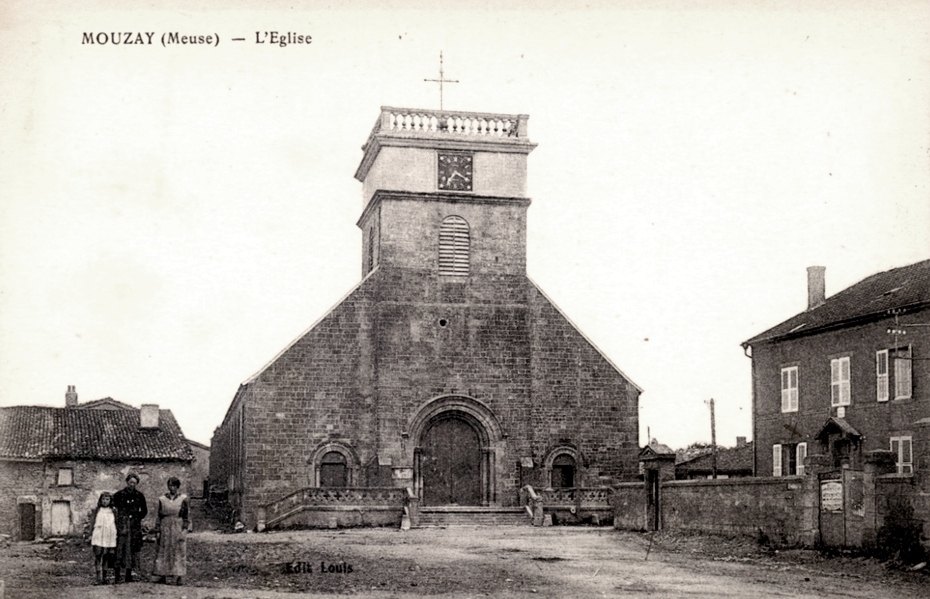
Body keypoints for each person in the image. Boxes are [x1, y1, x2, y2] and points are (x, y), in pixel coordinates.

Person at [153, 477, 192, 585]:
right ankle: (162, 575)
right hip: (165, 525)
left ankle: (178, 576)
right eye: (170, 486)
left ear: (177, 487)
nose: (172, 488)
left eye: (174, 486)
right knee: (164, 550)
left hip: (177, 525)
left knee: (178, 550)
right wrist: (157, 529)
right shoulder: (162, 499)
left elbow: (186, 516)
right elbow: (159, 516)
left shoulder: (183, 499)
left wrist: (185, 529)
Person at [112, 473, 147, 583]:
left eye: (134, 483)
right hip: (121, 526)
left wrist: (136, 519)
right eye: (130, 482)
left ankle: (128, 575)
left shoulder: (139, 495)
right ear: (127, 482)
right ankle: (117, 575)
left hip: (134, 527)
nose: (132, 484)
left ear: (137, 484)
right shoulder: (119, 495)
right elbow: (113, 508)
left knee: (131, 550)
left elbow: (144, 510)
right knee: (119, 549)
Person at [90, 492, 117, 585]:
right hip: (98, 534)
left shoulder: (113, 510)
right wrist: (89, 534)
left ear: (110, 501)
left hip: (109, 535)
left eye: (107, 499)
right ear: (100, 500)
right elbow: (92, 522)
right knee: (98, 555)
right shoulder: (97, 510)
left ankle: (105, 578)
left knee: (106, 556)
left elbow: (116, 522)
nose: (105, 501)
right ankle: (98, 578)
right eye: (103, 499)